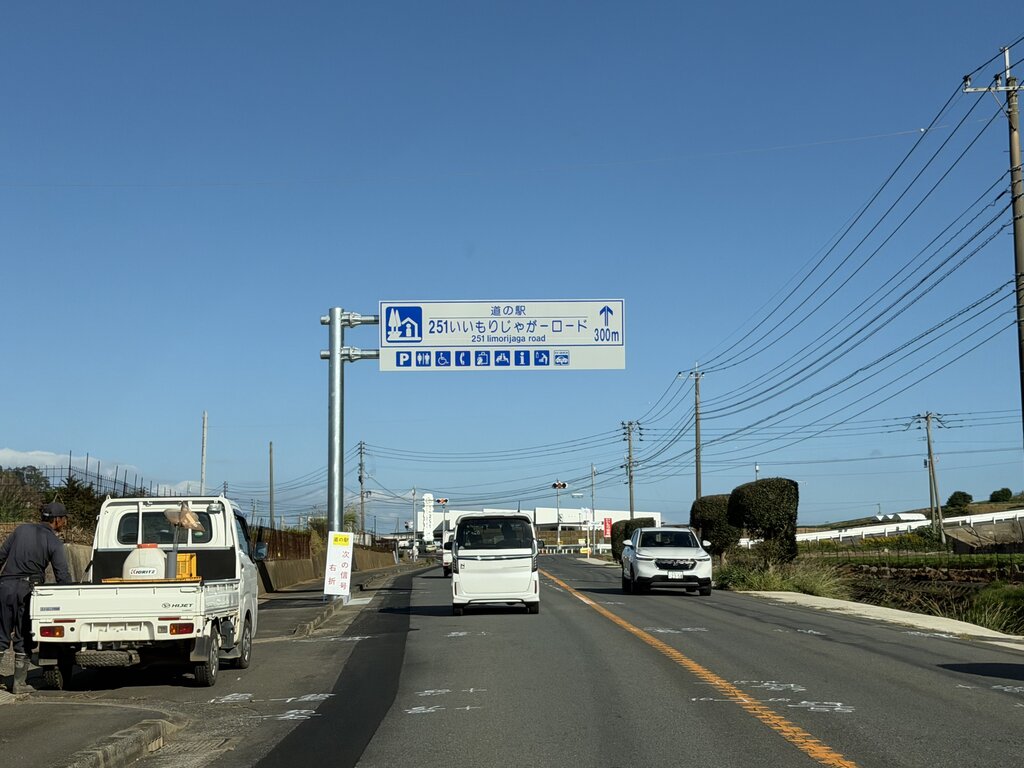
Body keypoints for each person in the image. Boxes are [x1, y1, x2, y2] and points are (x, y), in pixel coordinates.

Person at [0, 501, 73, 694]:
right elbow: (62, 576)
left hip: (5, 586)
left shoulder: (20, 530)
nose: (64, 522)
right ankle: (19, 684)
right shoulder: (54, 542)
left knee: (1, 634)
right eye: (63, 519)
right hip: (28, 591)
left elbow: (1, 556)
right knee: (23, 636)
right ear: (57, 520)